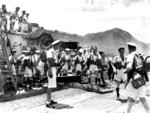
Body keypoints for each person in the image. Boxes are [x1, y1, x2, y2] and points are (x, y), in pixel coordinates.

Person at [124, 42, 150, 113]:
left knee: (130, 96)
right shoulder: (139, 56)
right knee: (142, 97)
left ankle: (127, 112)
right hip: (141, 79)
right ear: (135, 48)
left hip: (134, 79)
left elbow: (129, 67)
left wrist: (125, 71)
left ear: (129, 48)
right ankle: (148, 111)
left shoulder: (130, 55)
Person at [46, 41, 58, 108]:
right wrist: (50, 70)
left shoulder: (54, 51)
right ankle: (48, 102)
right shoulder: (50, 51)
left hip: (53, 69)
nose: (58, 46)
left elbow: (53, 62)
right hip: (51, 70)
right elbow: (48, 61)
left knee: (52, 85)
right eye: (58, 45)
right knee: (50, 86)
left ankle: (50, 100)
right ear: (54, 45)